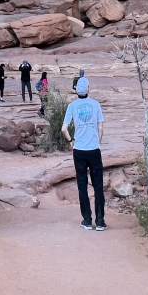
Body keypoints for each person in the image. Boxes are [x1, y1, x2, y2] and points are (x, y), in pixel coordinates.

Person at [61, 76, 105, 231]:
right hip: (94, 150)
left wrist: (70, 141)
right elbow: (100, 128)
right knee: (98, 185)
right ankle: (100, 221)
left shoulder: (72, 106)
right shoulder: (96, 104)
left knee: (82, 185)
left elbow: (63, 129)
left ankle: (87, 220)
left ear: (76, 90)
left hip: (79, 150)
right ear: (88, 89)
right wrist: (98, 142)